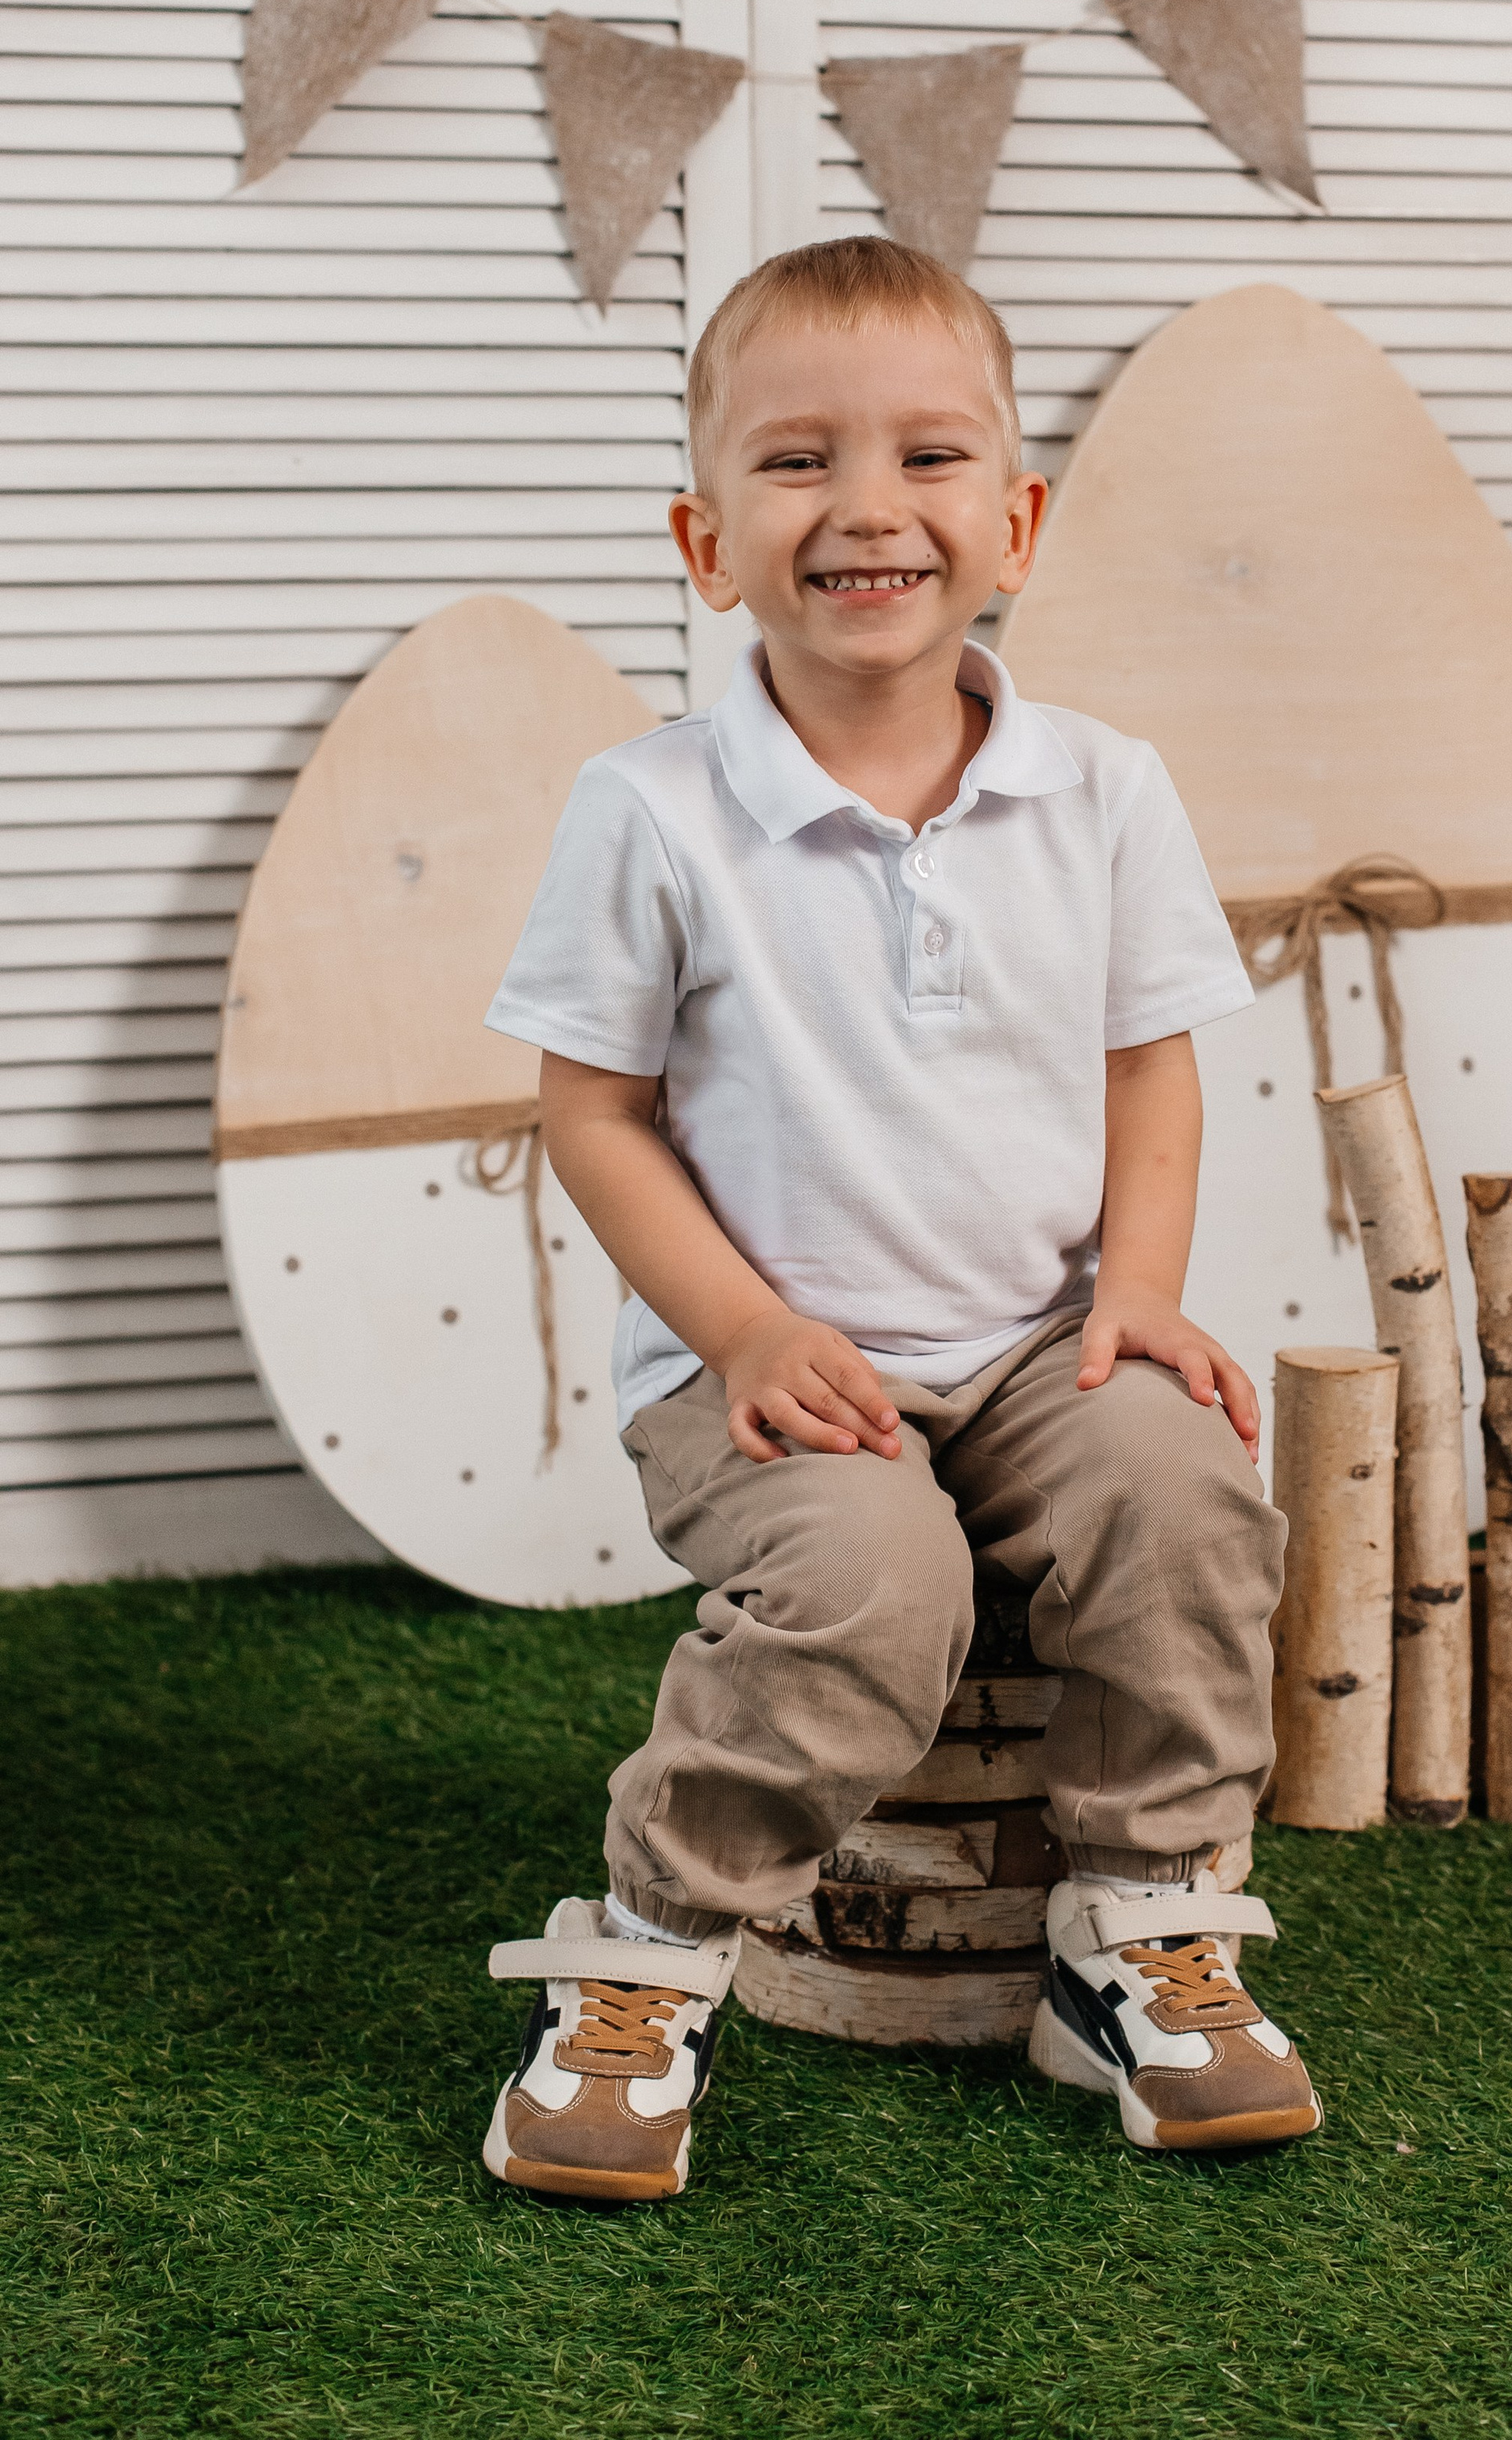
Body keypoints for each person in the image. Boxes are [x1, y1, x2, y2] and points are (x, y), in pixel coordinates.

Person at [478, 237, 1317, 2201]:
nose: (867, 506)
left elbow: (1148, 1068)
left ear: (1013, 521)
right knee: (874, 1584)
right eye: (798, 461)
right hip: (759, 1371)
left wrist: (1137, 1292)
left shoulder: (1102, 790)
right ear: (706, 544)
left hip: (1035, 1343)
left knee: (1184, 1495)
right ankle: (653, 1949)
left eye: (929, 456)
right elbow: (591, 1116)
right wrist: (748, 1332)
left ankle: (1136, 1925)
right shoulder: (652, 810)